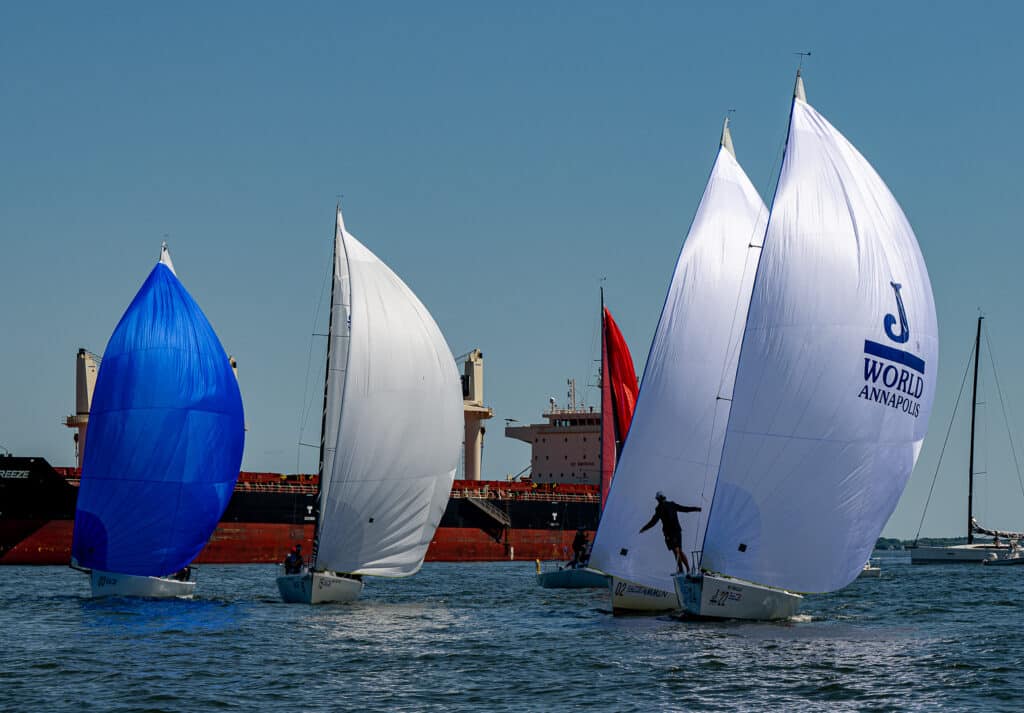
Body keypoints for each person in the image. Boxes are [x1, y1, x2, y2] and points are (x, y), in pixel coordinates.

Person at [639, 492, 702, 574]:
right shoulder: (671, 504)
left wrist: (644, 528)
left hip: (670, 533)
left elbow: (653, 521)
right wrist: (696, 509)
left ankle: (682, 570)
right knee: (679, 551)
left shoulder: (660, 508)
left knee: (676, 551)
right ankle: (687, 570)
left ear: (658, 499)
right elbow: (684, 509)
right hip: (677, 531)